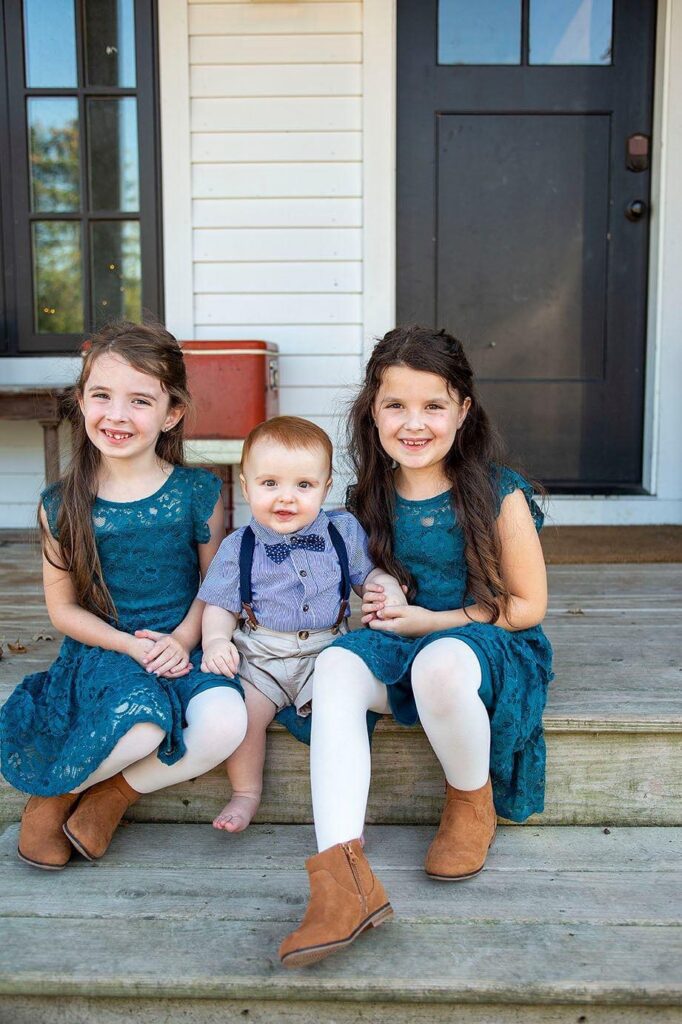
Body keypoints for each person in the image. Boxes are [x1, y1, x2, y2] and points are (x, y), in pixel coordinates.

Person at [279, 325, 554, 967]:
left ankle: (469, 799)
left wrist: (429, 621)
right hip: (405, 640)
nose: (414, 423)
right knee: (339, 664)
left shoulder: (497, 491)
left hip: (489, 643)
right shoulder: (365, 496)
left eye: (434, 405)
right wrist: (375, 593)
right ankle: (341, 876)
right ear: (372, 410)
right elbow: (362, 583)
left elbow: (526, 606)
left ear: (463, 410)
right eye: (395, 405)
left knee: (438, 663)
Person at [0, 321, 247, 870]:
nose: (117, 415)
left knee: (227, 722)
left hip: (186, 642)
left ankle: (113, 796)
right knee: (140, 722)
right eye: (101, 396)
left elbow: (217, 584)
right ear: (81, 401)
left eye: (140, 400)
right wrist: (131, 647)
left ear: (171, 413)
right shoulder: (61, 504)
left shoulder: (197, 492)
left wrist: (183, 639)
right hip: (107, 650)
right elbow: (62, 609)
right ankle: (57, 792)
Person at [198, 416, 405, 834]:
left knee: (341, 718)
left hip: (327, 651)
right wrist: (217, 639)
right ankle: (245, 793)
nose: (285, 498)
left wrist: (386, 588)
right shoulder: (239, 545)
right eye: (269, 484)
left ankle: (345, 810)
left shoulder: (342, 531)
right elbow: (219, 604)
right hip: (261, 654)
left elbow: (367, 577)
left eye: (303, 486)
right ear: (245, 485)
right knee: (246, 716)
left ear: (326, 489)